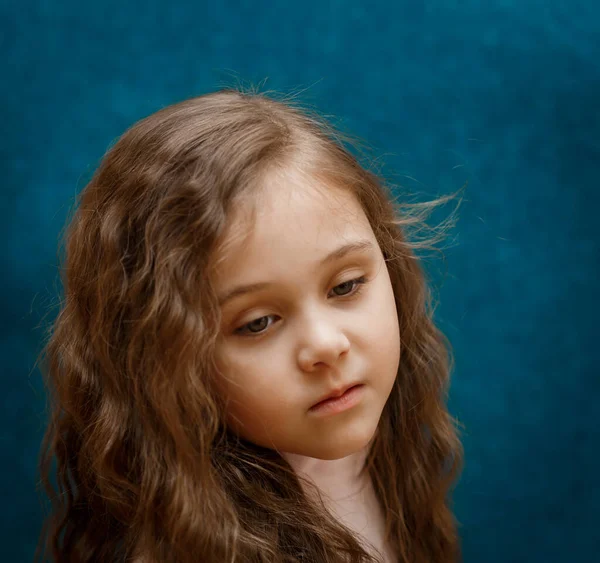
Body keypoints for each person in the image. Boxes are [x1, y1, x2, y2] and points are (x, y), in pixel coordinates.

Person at [35, 86, 465, 562]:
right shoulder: (194, 546)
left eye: (344, 286)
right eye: (258, 323)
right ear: (162, 361)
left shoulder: (382, 455)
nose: (326, 345)